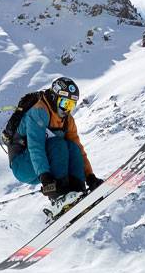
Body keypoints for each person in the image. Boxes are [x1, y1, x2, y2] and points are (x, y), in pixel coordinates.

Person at [8, 77, 104, 219]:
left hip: (45, 167)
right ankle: (59, 197)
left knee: (72, 147)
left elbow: (79, 150)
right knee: (57, 144)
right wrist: (45, 177)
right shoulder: (39, 111)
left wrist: (89, 176)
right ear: (54, 97)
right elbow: (36, 147)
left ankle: (77, 191)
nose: (67, 109)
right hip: (23, 165)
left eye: (71, 105)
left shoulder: (68, 120)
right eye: (65, 103)